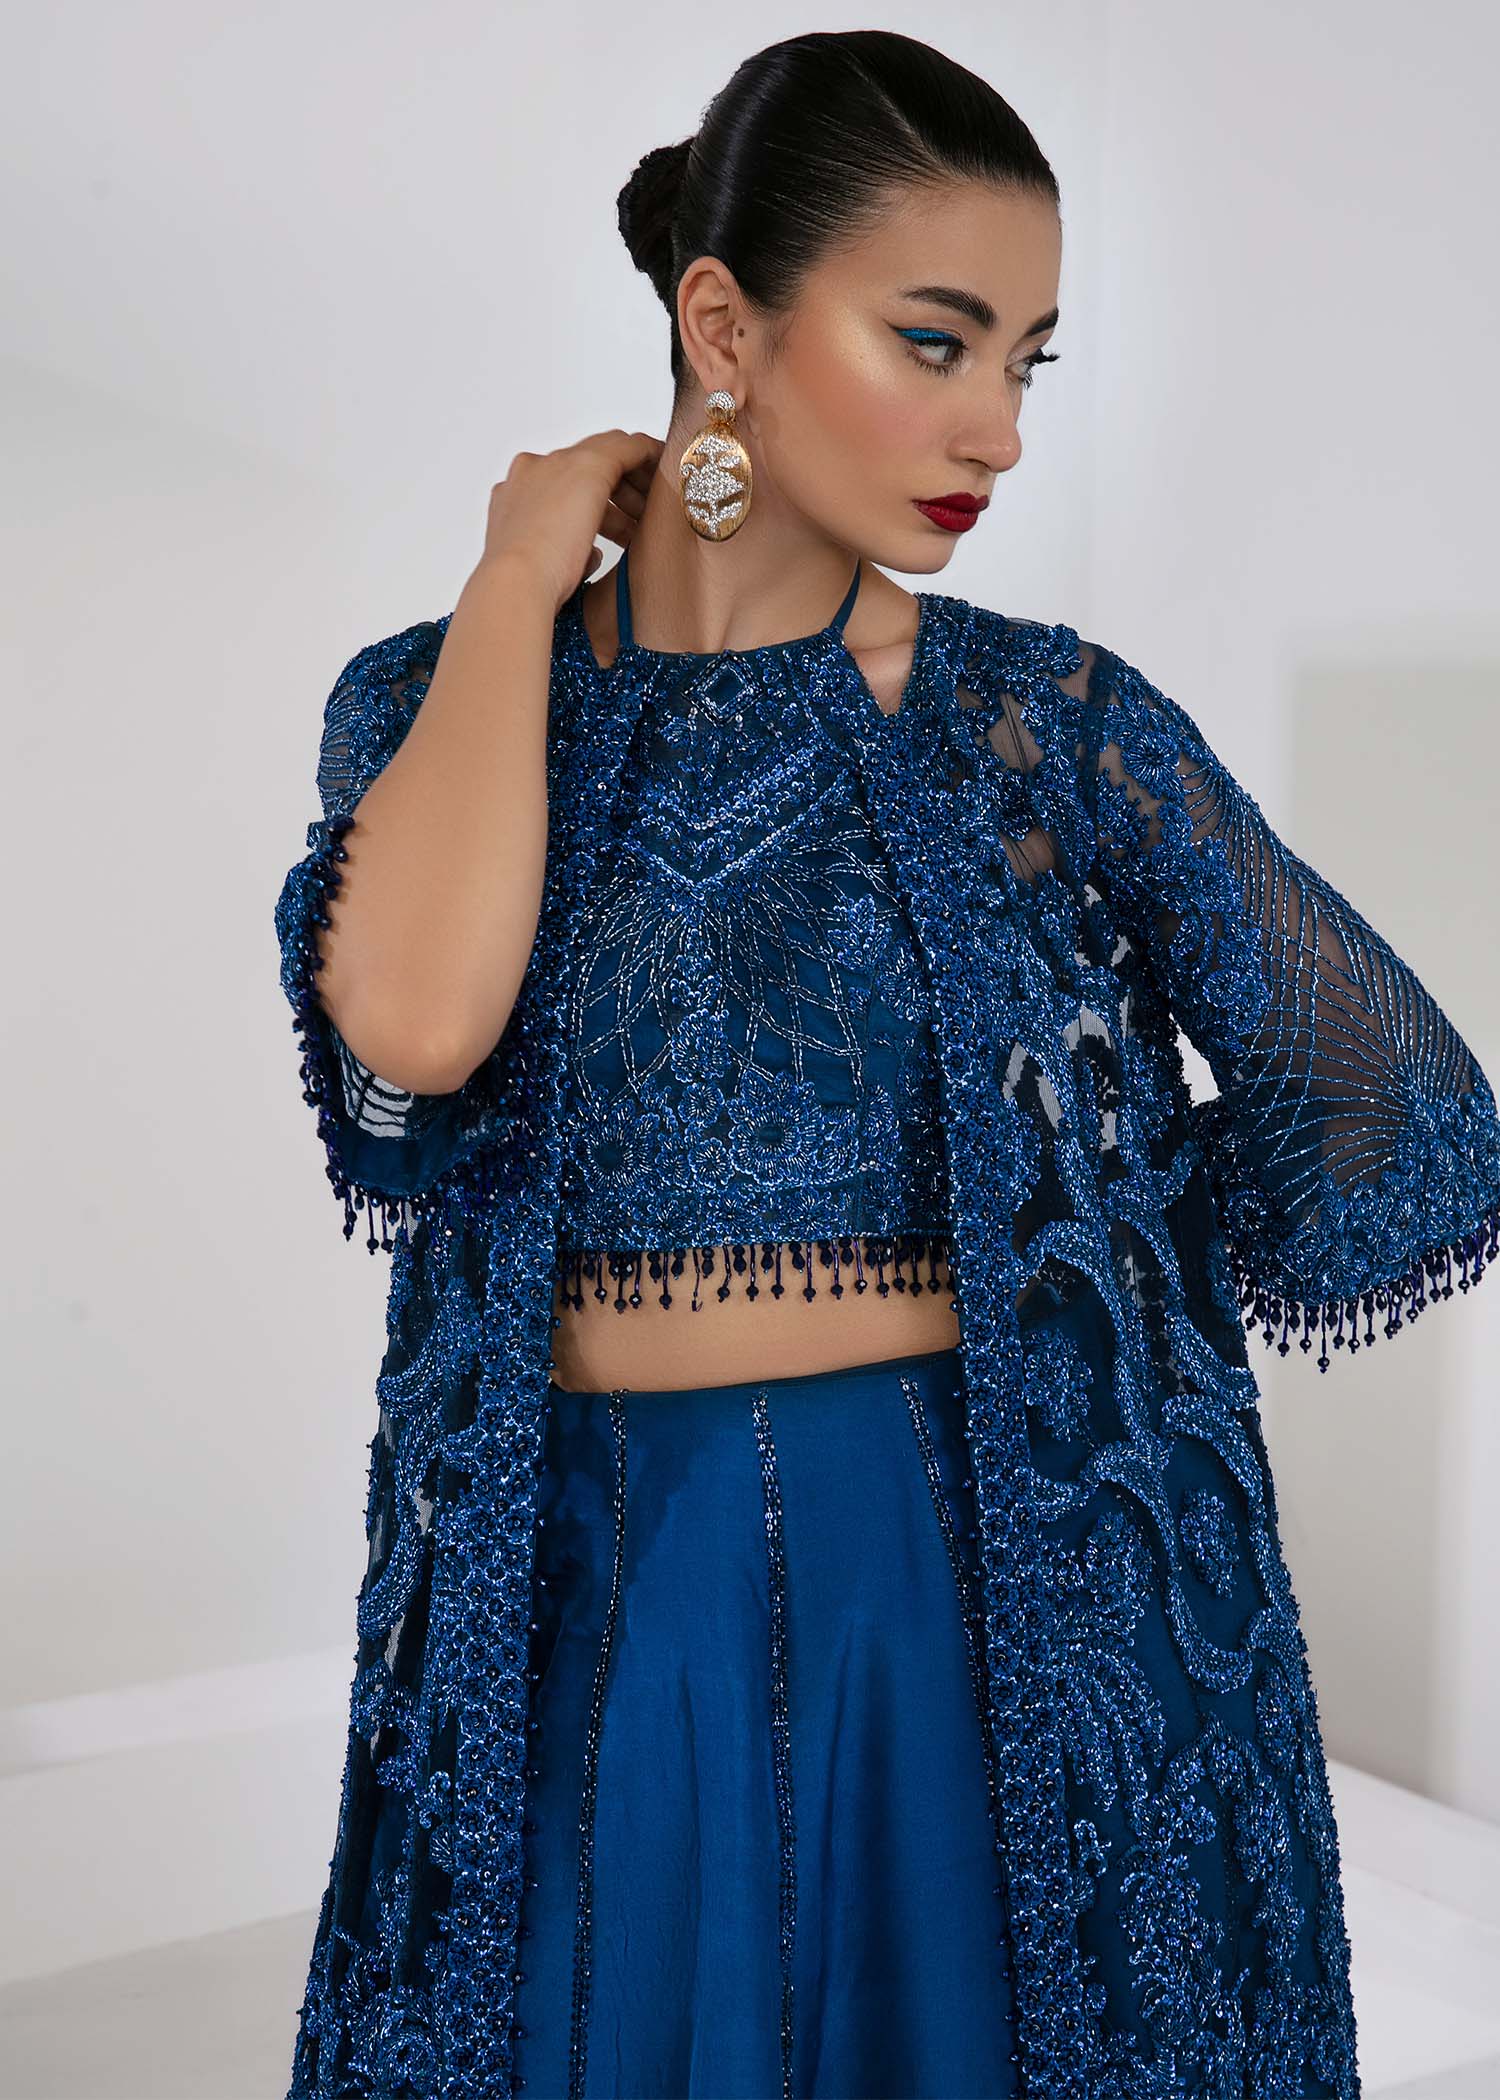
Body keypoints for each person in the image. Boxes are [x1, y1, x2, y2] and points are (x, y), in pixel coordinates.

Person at [274, 29, 1500, 2100]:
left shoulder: (1052, 729)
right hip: (572, 1582)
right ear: (722, 328)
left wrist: (1090, 1250)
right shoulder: (434, 700)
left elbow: (1402, 1115)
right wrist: (512, 580)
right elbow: (409, 1035)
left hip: (958, 1572)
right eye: (935, 342)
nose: (993, 429)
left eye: (1026, 361)